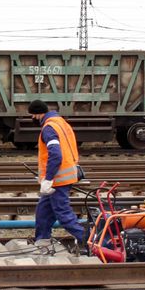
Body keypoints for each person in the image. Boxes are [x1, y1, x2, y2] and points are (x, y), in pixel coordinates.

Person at [29, 99, 86, 250]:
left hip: (58, 179)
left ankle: (91, 240)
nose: (32, 119)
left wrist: (48, 179)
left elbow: (56, 155)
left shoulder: (49, 128)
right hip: (63, 175)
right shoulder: (61, 123)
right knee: (43, 210)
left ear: (39, 114)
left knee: (63, 215)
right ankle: (42, 240)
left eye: (32, 115)